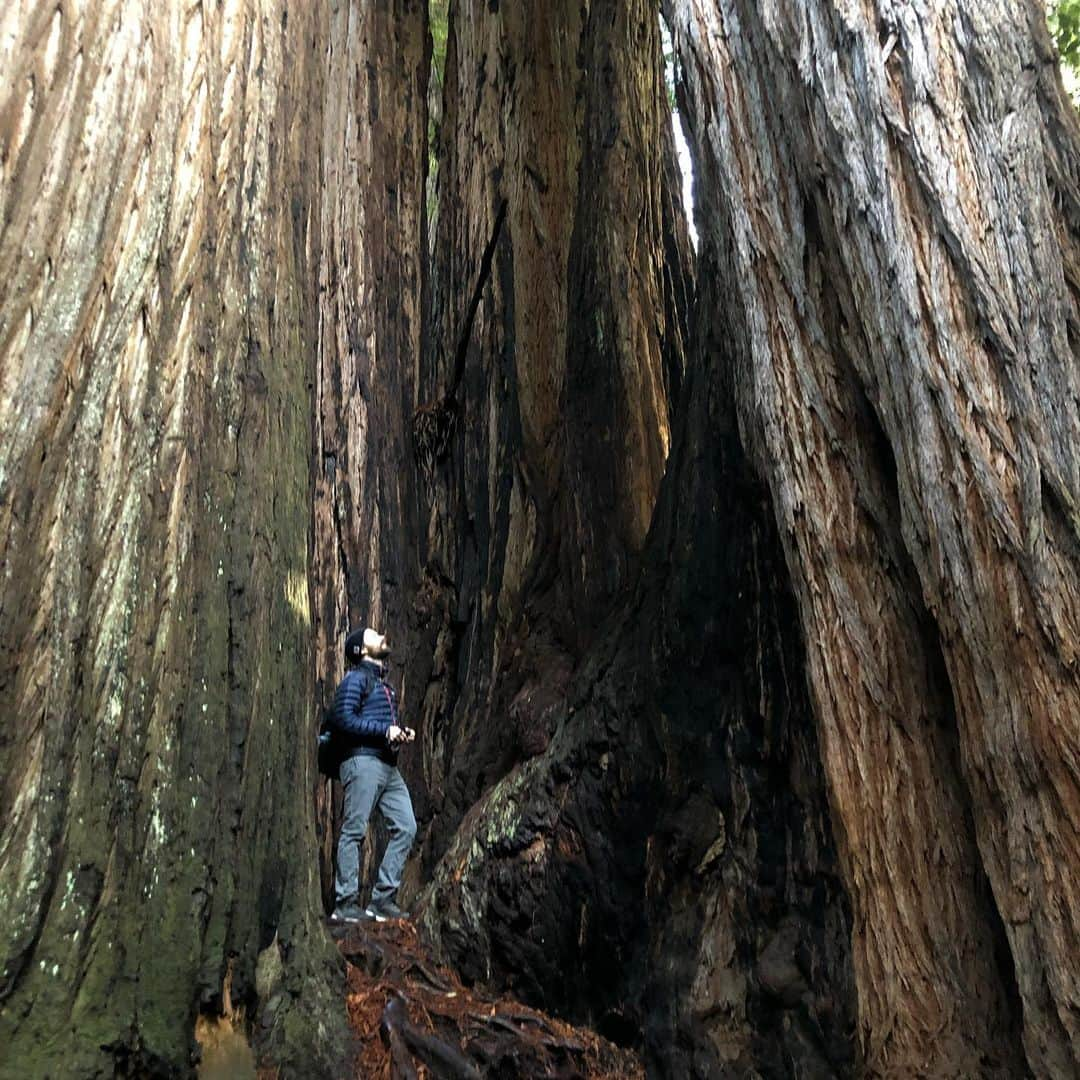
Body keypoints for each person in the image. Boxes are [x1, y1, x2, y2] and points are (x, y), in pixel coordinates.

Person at [329, 627, 417, 923]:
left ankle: (382, 900)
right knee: (354, 830)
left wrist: (399, 734)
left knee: (406, 826)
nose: (382, 635)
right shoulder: (356, 679)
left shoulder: (385, 686)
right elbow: (343, 718)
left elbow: (376, 721)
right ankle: (345, 904)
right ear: (362, 651)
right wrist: (384, 731)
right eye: (374, 635)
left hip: (387, 767)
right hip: (362, 762)